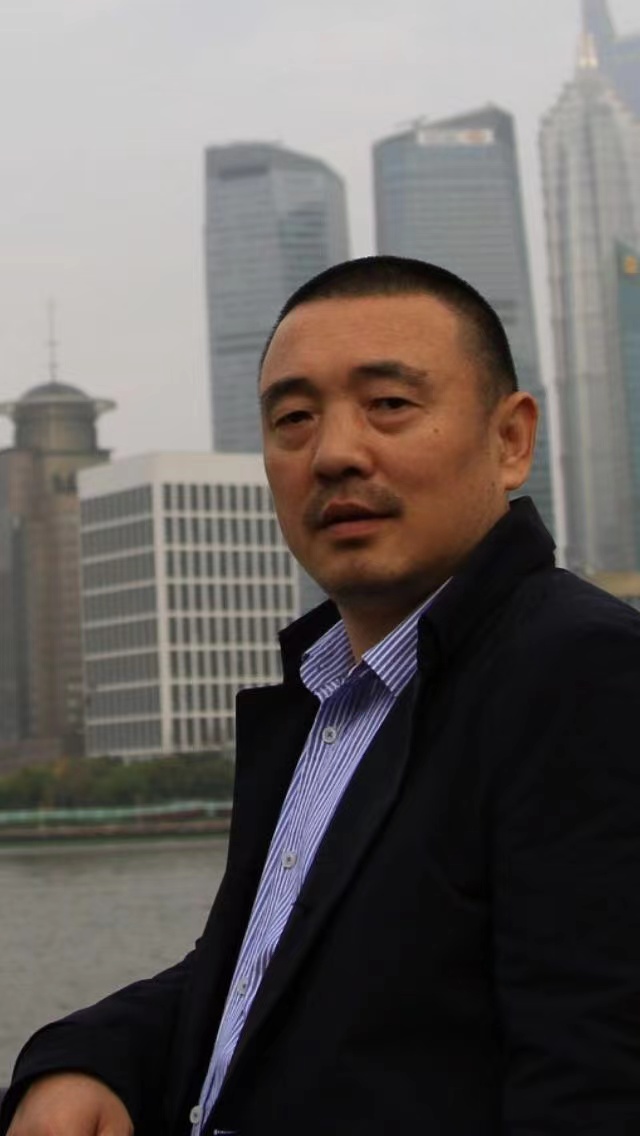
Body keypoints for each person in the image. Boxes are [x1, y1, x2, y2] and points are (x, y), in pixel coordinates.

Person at [3, 255, 640, 1136]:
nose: (335, 453)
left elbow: (597, 1077)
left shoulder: (585, 674)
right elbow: (263, 972)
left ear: (510, 440)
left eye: (390, 404)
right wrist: (90, 1059)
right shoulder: (329, 697)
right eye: (294, 419)